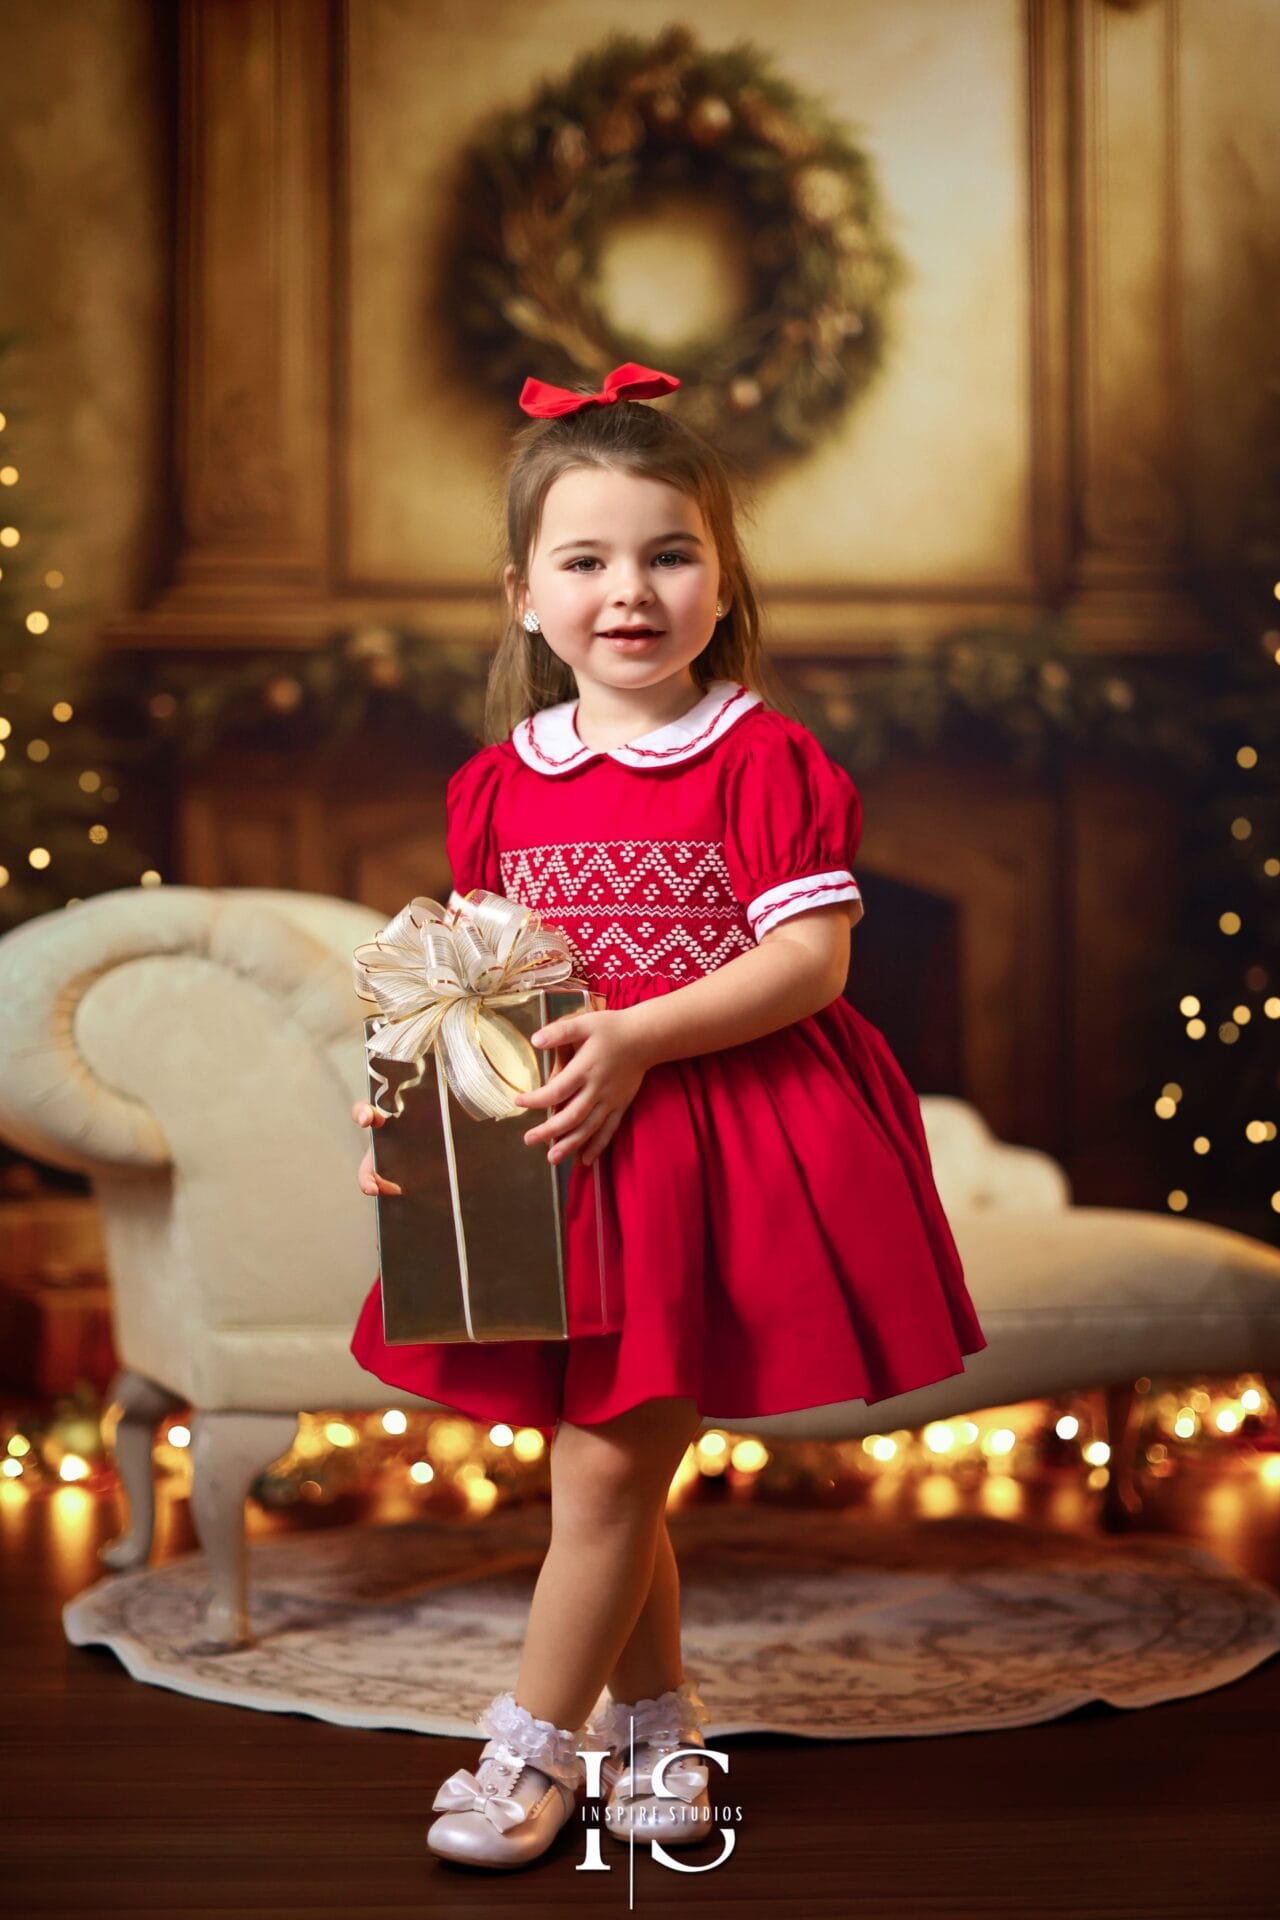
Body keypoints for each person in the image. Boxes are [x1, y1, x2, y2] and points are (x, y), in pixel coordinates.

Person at [348, 361, 988, 1870]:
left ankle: (527, 1754)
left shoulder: (761, 759)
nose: (626, 591)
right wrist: (417, 1144)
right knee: (609, 1470)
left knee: (603, 1466)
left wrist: (640, 1034)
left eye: (668, 553)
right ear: (522, 592)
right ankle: (659, 1732)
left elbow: (809, 961)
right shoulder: (495, 786)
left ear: (720, 580)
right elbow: (477, 995)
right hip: (566, 1158)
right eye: (584, 560)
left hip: (723, 1148)